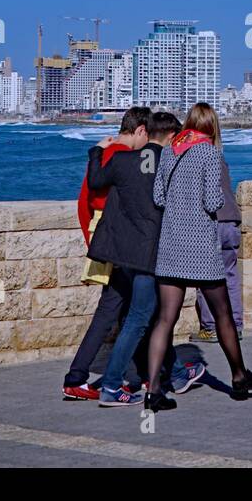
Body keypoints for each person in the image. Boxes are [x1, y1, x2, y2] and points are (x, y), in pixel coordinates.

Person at [145, 103, 252, 411]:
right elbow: (213, 200)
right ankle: (239, 377)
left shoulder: (171, 151)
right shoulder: (209, 153)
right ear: (212, 127)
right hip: (200, 248)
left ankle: (153, 392)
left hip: (171, 246)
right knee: (223, 315)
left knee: (165, 320)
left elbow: (158, 197)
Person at [88, 111, 206, 407]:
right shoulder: (171, 163)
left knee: (153, 317)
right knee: (140, 318)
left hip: (125, 254)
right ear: (168, 136)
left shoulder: (121, 160)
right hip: (153, 254)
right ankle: (112, 385)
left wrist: (97, 151)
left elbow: (95, 181)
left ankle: (178, 374)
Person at [61, 106, 151, 400]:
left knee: (119, 308)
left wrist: (92, 241)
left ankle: (84, 377)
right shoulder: (121, 157)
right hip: (119, 241)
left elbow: (84, 200)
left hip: (107, 239)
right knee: (129, 310)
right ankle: (145, 374)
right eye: (145, 136)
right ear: (139, 130)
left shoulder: (107, 152)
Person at [190, 129, 244, 344]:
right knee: (230, 275)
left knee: (206, 278)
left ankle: (211, 327)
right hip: (231, 219)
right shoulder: (218, 156)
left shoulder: (195, 157)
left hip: (212, 221)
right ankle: (236, 325)